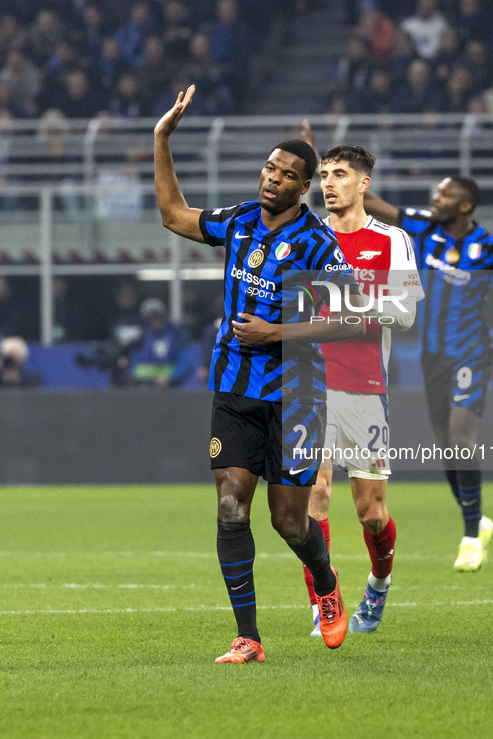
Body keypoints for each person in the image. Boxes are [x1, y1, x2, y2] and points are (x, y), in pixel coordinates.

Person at [154, 85, 365, 663]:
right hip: (234, 387)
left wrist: (276, 334)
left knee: (289, 522)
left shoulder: (320, 245)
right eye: (270, 167)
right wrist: (162, 138)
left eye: (288, 173)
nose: (273, 177)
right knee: (230, 506)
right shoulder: (240, 221)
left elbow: (352, 322)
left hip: (296, 396)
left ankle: (325, 583)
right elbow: (174, 214)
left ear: (303, 188)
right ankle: (248, 637)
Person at [364, 176, 493, 571]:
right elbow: (374, 202)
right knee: (446, 446)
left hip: (471, 353)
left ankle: (471, 538)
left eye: (445, 194)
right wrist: (331, 166)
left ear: (465, 206)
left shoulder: (490, 246)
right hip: (433, 356)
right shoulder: (424, 226)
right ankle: (477, 517)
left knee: (462, 436)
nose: (435, 198)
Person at [299, 137, 424, 637]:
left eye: (339, 175)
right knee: (316, 492)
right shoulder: (308, 237)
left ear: (363, 183)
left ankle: (379, 582)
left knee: (370, 513)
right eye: (323, 176)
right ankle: (324, 604)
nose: (329, 184)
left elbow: (408, 315)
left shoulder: (392, 240)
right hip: (309, 384)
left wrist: (357, 300)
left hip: (365, 386)